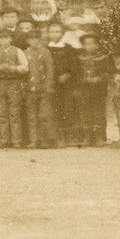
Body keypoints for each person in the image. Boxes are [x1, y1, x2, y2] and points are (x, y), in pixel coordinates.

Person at [0, 28, 28, 148]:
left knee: (15, 112)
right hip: (0, 83)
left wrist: (13, 68)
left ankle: (16, 140)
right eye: (1, 38)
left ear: (11, 38)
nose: (4, 40)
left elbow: (25, 67)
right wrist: (0, 67)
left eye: (6, 38)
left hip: (14, 83)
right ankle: (3, 140)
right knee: (1, 113)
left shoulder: (18, 51)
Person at [77, 31, 115, 146]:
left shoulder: (103, 58)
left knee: (99, 111)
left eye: (91, 44)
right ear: (83, 46)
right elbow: (75, 73)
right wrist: (82, 79)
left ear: (97, 45)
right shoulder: (79, 58)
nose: (89, 46)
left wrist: (99, 78)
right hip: (84, 89)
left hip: (98, 89)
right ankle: (87, 137)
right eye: (86, 44)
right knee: (85, 112)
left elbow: (109, 72)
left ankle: (99, 137)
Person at [47, 18, 78, 146]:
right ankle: (59, 137)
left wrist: (68, 74)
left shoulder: (68, 48)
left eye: (58, 32)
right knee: (55, 109)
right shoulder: (46, 48)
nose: (55, 34)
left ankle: (69, 136)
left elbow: (74, 65)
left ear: (62, 33)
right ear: (48, 34)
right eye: (52, 32)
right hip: (52, 83)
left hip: (66, 83)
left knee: (68, 108)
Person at [24, 26, 55, 149]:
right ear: (28, 40)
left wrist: (48, 86)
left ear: (40, 40)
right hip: (29, 89)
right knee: (31, 115)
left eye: (36, 39)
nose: (34, 41)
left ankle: (45, 140)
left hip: (43, 88)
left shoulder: (46, 52)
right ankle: (34, 140)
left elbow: (50, 70)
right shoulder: (25, 53)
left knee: (44, 115)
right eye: (31, 39)